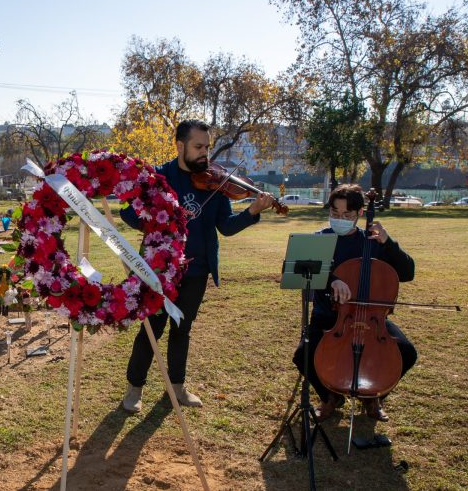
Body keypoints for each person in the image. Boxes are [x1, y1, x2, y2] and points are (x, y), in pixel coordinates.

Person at [120, 119, 275, 413]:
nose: (206, 153)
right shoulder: (157, 176)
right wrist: (158, 222)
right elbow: (128, 212)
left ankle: (177, 388)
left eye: (208, 146)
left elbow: (226, 228)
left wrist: (252, 211)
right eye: (199, 146)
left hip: (197, 270)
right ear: (180, 146)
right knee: (151, 330)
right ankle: (134, 389)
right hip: (159, 271)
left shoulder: (215, 181)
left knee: (182, 329)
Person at [293, 184, 417, 422]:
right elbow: (300, 270)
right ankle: (330, 396)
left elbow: (407, 272)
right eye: (335, 214)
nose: (339, 219)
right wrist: (332, 280)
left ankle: (374, 396)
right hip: (330, 317)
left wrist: (388, 242)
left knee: (406, 352)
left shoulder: (373, 241)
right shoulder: (320, 239)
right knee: (303, 355)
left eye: (347, 215)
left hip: (372, 319)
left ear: (360, 213)